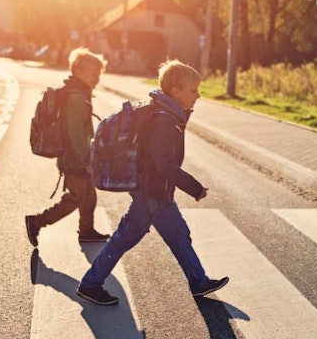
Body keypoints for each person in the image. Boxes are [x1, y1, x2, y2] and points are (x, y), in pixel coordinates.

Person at [76, 59, 228, 305]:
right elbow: (164, 164)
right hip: (150, 192)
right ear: (175, 91)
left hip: (158, 194)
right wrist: (195, 188)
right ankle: (90, 284)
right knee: (123, 239)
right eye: (193, 91)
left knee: (179, 235)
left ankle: (198, 281)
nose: (198, 96)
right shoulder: (164, 120)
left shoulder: (168, 114)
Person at [25, 48, 111, 246]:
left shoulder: (79, 93)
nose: (97, 79)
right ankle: (37, 221)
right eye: (93, 74)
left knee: (89, 196)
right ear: (78, 73)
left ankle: (87, 230)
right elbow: (73, 132)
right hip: (74, 158)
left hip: (77, 156)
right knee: (75, 198)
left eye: (99, 75)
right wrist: (85, 160)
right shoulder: (77, 98)